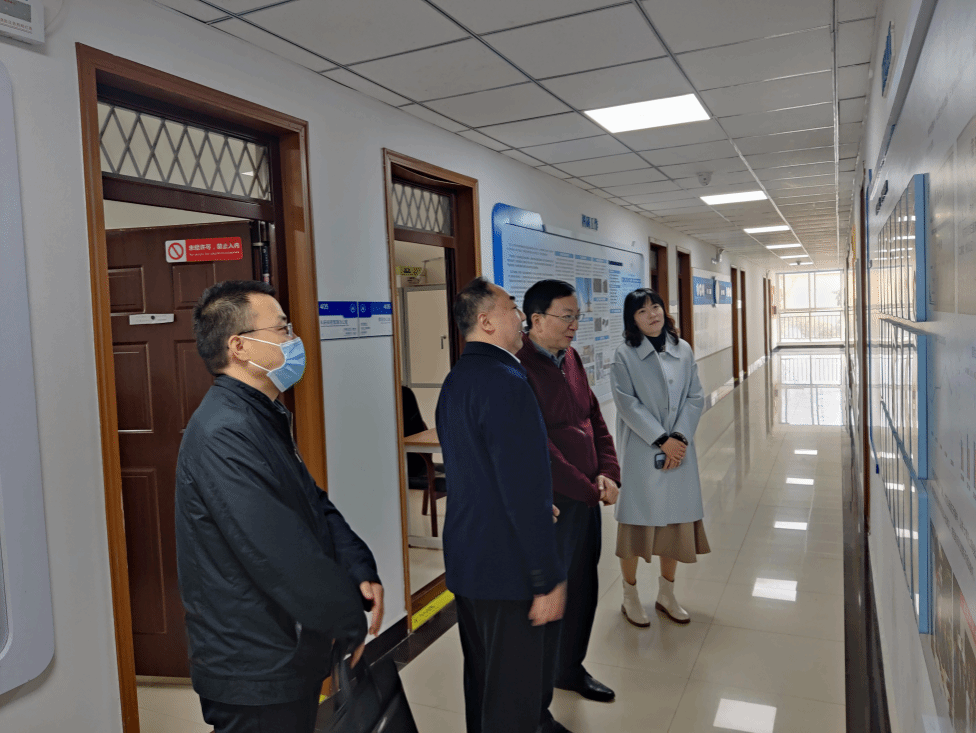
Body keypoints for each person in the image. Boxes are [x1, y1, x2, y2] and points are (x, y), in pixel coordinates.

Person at [175, 280, 384, 733]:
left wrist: (357, 563)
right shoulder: (222, 432)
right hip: (252, 667)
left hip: (284, 653)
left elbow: (311, 501)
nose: (294, 340)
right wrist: (347, 618)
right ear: (239, 346)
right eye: (283, 329)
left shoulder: (261, 414)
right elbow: (277, 551)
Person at [435, 276, 569, 733]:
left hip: (469, 561)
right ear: (487, 321)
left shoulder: (457, 379)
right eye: (512, 308)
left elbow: (481, 474)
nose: (521, 317)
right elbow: (522, 490)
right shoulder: (507, 382)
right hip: (508, 568)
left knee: (484, 683)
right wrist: (546, 578)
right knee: (513, 698)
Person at [516, 280, 620, 703]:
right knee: (552, 591)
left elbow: (593, 417)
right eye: (567, 317)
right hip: (555, 503)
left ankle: (570, 668)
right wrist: (587, 488)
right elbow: (538, 445)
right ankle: (539, 679)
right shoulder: (519, 367)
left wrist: (609, 471)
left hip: (588, 495)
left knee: (583, 586)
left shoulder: (572, 358)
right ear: (536, 320)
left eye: (578, 316)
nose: (575, 325)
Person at [610, 288, 710, 628]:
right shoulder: (624, 355)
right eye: (642, 311)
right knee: (635, 527)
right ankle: (630, 596)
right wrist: (661, 439)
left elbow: (695, 396)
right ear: (632, 320)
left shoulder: (683, 349)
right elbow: (627, 404)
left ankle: (666, 594)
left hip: (679, 451)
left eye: (655, 307)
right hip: (643, 450)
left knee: (675, 525)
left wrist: (678, 438)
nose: (651, 314)